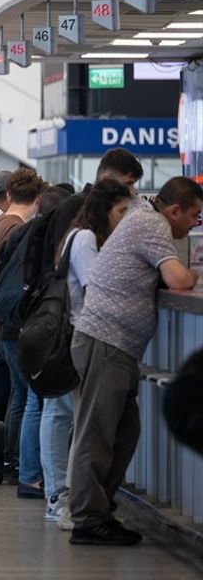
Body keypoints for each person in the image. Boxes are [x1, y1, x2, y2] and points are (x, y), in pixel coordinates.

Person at [68, 177, 202, 546]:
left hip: (117, 346)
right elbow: (177, 277)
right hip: (105, 341)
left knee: (125, 434)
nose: (194, 224)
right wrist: (193, 273)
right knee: (96, 434)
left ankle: (97, 510)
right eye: (194, 215)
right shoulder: (151, 223)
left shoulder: (144, 219)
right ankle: (87, 519)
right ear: (174, 210)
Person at [42, 179, 133, 530]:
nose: (125, 218)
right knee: (78, 424)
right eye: (121, 211)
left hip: (85, 338)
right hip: (86, 336)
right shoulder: (84, 240)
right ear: (103, 210)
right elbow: (98, 287)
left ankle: (73, 501)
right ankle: (67, 502)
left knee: (77, 421)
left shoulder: (82, 237)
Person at [0, 167, 44, 487]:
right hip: (3, 322)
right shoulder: (18, 229)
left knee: (13, 397)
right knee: (21, 397)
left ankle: (0, 460)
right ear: (38, 198)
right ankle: (6, 462)